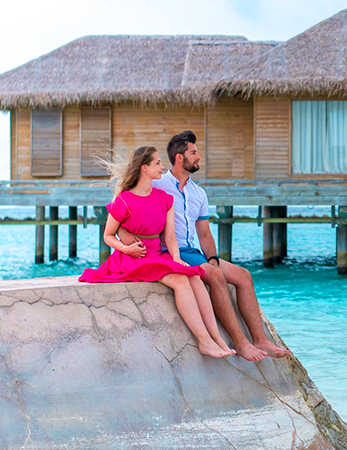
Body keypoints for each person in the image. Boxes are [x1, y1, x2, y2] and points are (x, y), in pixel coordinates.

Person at [118, 131, 290, 362]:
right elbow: (126, 205)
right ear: (180, 157)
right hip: (169, 252)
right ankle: (240, 343)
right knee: (215, 277)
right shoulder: (159, 184)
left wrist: (213, 259)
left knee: (243, 276)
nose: (198, 157)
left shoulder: (199, 193)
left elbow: (205, 234)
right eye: (194, 152)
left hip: (193, 252)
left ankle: (259, 339)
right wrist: (126, 237)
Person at [79, 145, 236, 359]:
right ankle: (204, 342)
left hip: (157, 254)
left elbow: (170, 238)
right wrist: (126, 248)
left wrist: (177, 258)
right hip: (133, 257)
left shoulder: (164, 198)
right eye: (158, 163)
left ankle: (217, 338)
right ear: (144, 167)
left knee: (194, 277)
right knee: (180, 281)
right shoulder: (124, 199)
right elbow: (108, 235)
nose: (162, 167)